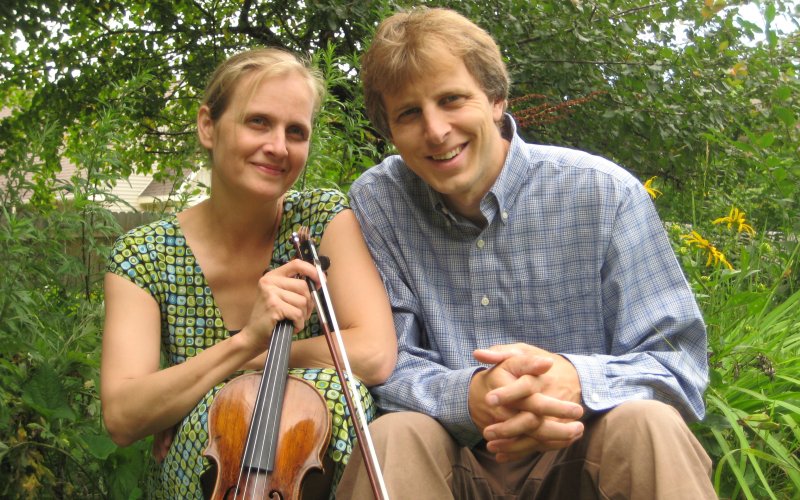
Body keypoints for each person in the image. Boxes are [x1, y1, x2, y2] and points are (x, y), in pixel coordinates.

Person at [337, 7, 716, 499]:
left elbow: (676, 362)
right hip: (452, 461)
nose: (435, 131)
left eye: (452, 100)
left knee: (649, 425)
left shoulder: (603, 194)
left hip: (585, 448)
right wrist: (469, 396)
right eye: (409, 114)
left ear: (496, 99)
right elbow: (388, 362)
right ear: (389, 130)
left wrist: (574, 380)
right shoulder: (378, 202)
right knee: (392, 436)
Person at [100, 47, 396, 499]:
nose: (278, 146)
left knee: (334, 389)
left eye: (295, 131)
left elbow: (374, 353)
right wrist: (246, 340)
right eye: (258, 121)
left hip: (320, 479)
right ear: (207, 126)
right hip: (209, 481)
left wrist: (210, 383)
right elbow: (122, 416)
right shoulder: (144, 256)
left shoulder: (319, 220)